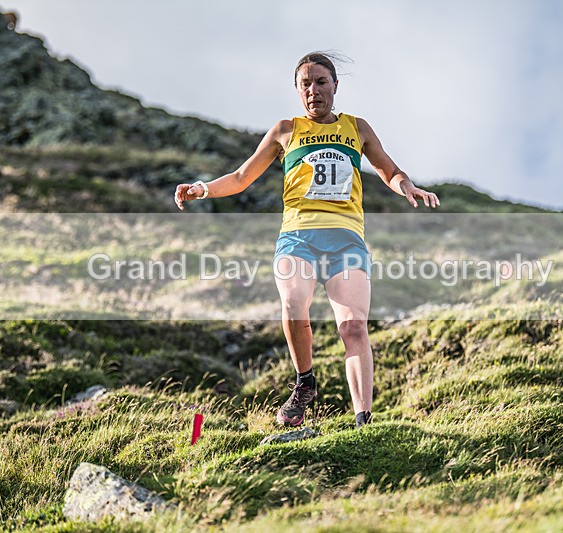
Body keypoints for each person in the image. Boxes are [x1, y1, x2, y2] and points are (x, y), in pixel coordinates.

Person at [175, 52, 440, 428]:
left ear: (335, 86)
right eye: (305, 84)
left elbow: (390, 170)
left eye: (321, 82)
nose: (313, 91)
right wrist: (200, 189)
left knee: (353, 326)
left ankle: (363, 418)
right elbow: (240, 177)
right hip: (297, 236)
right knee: (294, 305)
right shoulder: (286, 130)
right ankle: (305, 383)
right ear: (297, 90)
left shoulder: (357, 128)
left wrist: (408, 187)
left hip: (347, 240)